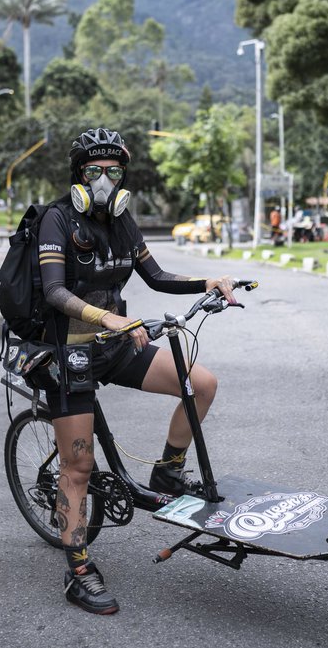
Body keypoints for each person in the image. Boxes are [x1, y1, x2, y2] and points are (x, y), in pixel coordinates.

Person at [36, 128, 237, 616]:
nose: (104, 179)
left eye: (113, 171)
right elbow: (54, 292)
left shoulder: (123, 222)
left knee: (201, 385)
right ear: (78, 175)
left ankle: (166, 474)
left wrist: (205, 281)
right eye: (93, 171)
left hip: (116, 345)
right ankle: (78, 570)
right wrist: (106, 317)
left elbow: (157, 276)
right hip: (66, 354)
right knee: (78, 466)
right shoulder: (56, 220)